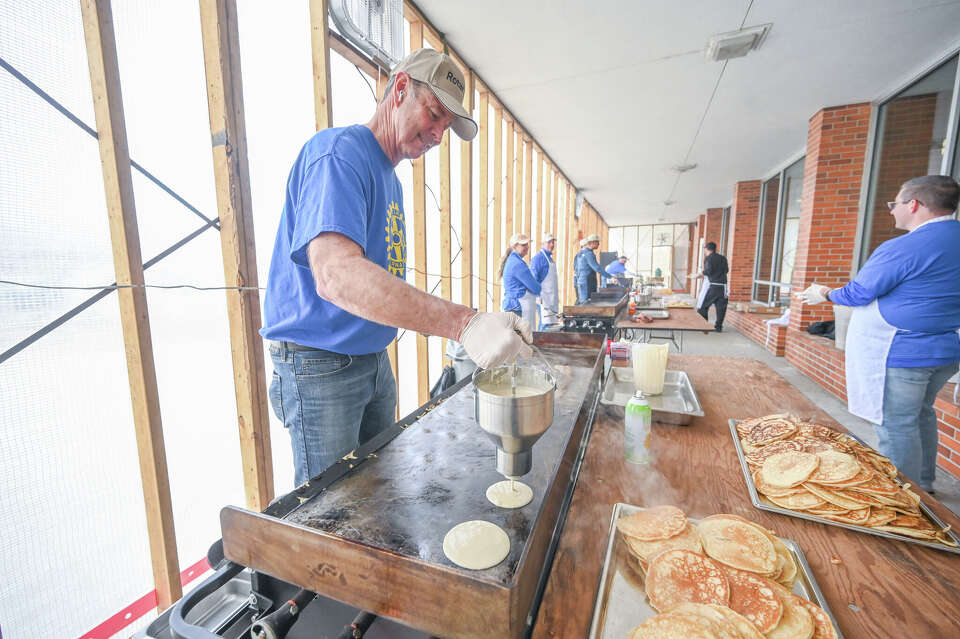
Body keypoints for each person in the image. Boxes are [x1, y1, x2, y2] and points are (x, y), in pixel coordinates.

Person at [260, 48, 533, 486]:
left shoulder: (389, 178)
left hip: (372, 356)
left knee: (377, 490)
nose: (438, 135)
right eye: (435, 114)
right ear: (401, 88)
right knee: (332, 508)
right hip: (321, 362)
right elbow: (335, 275)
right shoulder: (339, 154)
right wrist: (463, 323)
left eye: (447, 125)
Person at [796, 175, 960, 494]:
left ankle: (903, 497)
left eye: (894, 203)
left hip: (902, 352)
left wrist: (824, 293)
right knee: (921, 414)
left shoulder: (903, 247)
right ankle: (924, 485)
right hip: (946, 351)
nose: (891, 210)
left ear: (914, 205)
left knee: (896, 424)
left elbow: (859, 293)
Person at [498, 233, 541, 326]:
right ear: (514, 246)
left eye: (527, 244)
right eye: (523, 245)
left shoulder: (512, 261)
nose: (527, 247)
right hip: (518, 309)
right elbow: (535, 287)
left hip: (513, 308)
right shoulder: (517, 264)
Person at [695, 242, 728, 331]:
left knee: (703, 306)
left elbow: (709, 271)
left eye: (705, 249)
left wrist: (700, 273)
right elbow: (726, 270)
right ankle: (718, 327)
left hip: (713, 286)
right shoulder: (723, 258)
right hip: (723, 287)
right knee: (721, 308)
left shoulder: (708, 258)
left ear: (707, 249)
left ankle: (704, 325)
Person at [530, 233, 560, 330]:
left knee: (551, 326)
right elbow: (533, 279)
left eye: (553, 242)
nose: (552, 244)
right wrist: (537, 296)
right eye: (549, 242)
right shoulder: (538, 259)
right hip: (544, 299)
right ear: (542, 243)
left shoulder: (550, 258)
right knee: (545, 325)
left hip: (552, 299)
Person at [574, 233, 605, 304]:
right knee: (583, 302)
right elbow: (577, 271)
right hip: (584, 283)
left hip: (587, 282)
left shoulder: (588, 254)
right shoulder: (581, 255)